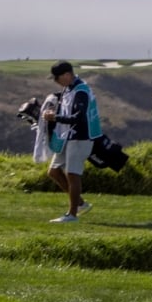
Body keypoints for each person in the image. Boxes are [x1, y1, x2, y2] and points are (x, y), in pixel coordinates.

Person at [45, 61, 99, 222]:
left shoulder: (81, 91)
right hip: (66, 136)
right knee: (53, 172)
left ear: (67, 75)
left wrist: (55, 117)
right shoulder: (68, 89)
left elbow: (78, 118)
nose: (56, 82)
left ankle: (72, 214)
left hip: (81, 137)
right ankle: (80, 203)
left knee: (72, 174)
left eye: (57, 78)